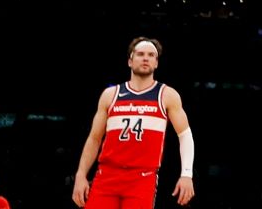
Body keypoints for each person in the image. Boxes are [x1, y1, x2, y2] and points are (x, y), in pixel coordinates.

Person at [71, 38, 194, 208]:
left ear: (156, 63)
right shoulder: (110, 94)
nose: (146, 58)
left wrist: (187, 174)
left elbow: (185, 136)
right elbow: (94, 139)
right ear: (130, 61)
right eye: (140, 54)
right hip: (106, 176)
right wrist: (81, 174)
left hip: (142, 178)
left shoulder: (167, 95)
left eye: (151, 55)